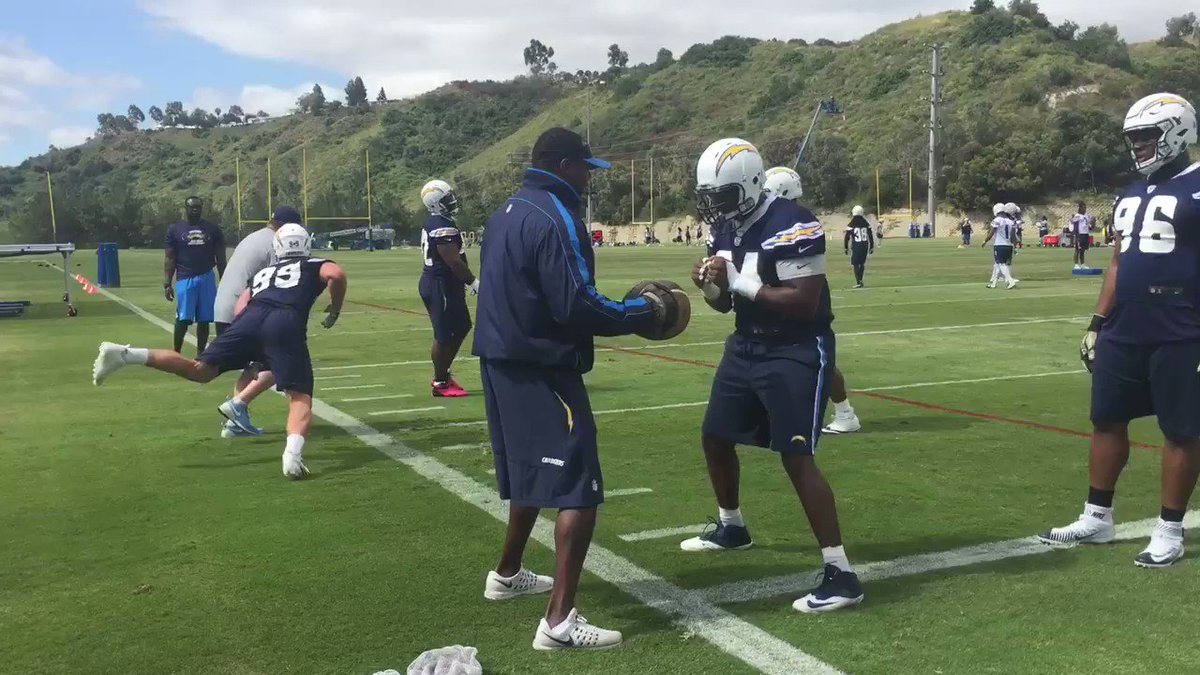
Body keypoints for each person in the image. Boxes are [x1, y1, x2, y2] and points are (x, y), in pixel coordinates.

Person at [472, 127, 685, 650]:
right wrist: (643, 312)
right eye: (585, 167)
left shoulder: (507, 210)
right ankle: (559, 623)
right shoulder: (556, 214)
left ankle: (506, 574)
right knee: (578, 485)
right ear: (564, 165)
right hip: (542, 364)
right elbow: (577, 304)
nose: (589, 177)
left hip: (500, 360)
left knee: (530, 474)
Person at [682, 139, 864, 613]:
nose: (713, 206)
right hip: (747, 342)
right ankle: (732, 526)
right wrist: (712, 286)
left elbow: (803, 300)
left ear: (749, 184)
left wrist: (738, 280)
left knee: (795, 454)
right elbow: (725, 305)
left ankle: (841, 573)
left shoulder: (794, 222)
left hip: (796, 347)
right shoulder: (724, 226)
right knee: (715, 435)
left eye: (720, 195)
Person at [1039, 93, 1200, 568]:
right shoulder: (1130, 192)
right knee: (1106, 418)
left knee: (1181, 428)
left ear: (1177, 131)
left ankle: (1170, 528)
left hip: (1182, 324)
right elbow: (1117, 262)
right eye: (1135, 138)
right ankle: (1097, 516)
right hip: (1126, 324)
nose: (1140, 145)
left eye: (1148, 136)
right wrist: (1097, 321)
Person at [94, 224, 347, 480]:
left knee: (200, 371)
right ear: (305, 244)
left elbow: (242, 305)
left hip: (248, 319)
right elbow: (335, 274)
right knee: (299, 395)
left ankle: (126, 355)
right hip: (284, 322)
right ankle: (292, 457)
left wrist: (245, 337)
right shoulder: (314, 263)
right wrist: (335, 308)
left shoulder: (265, 272)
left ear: (278, 247)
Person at [763, 166, 863, 435]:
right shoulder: (774, 218)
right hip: (788, 292)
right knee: (808, 360)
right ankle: (841, 412)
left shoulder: (799, 222)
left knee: (817, 359)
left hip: (804, 292)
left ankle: (843, 413)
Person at [211, 206, 303, 438]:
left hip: (225, 308)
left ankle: (235, 421)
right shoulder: (275, 243)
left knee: (256, 366)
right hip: (241, 311)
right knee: (279, 362)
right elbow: (279, 282)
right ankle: (238, 405)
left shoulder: (255, 237)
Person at [418, 179, 479, 398]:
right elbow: (452, 260)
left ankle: (443, 371)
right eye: (447, 198)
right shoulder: (440, 225)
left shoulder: (439, 221)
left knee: (462, 325)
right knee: (443, 334)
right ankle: (441, 381)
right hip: (439, 283)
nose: (453, 200)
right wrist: (472, 282)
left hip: (446, 283)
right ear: (436, 202)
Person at [164, 196, 226, 357]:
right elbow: (170, 258)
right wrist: (167, 283)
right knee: (183, 318)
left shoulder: (212, 229)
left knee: (204, 319)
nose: (195, 210)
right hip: (185, 277)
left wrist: (225, 280)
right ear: (185, 208)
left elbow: (221, 257)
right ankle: (176, 352)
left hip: (206, 276)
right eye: (192, 207)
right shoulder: (175, 229)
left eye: (198, 207)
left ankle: (201, 354)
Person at [981, 202, 1019, 289]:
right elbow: (1013, 236)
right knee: (998, 264)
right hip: (1009, 245)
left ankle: (1010, 281)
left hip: (1000, 245)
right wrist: (1016, 246)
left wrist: (985, 241)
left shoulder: (997, 220)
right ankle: (993, 283)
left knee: (1000, 263)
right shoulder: (1011, 221)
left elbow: (991, 232)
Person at [844, 205, 875, 289]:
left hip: (856, 245)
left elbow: (847, 236)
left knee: (855, 264)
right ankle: (860, 280)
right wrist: (871, 246)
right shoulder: (865, 223)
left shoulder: (852, 223)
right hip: (865, 245)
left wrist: (845, 247)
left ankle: (858, 281)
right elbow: (870, 235)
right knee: (861, 263)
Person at [1070, 202, 1096, 270]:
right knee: (1077, 250)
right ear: (1080, 208)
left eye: (1085, 207)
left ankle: (1082, 264)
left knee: (1083, 250)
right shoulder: (1077, 215)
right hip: (1079, 234)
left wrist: (1093, 221)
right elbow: (1072, 222)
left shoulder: (1086, 215)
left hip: (1086, 234)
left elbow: (1091, 226)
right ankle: (1076, 264)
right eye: (1084, 207)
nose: (1085, 209)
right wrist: (1073, 218)